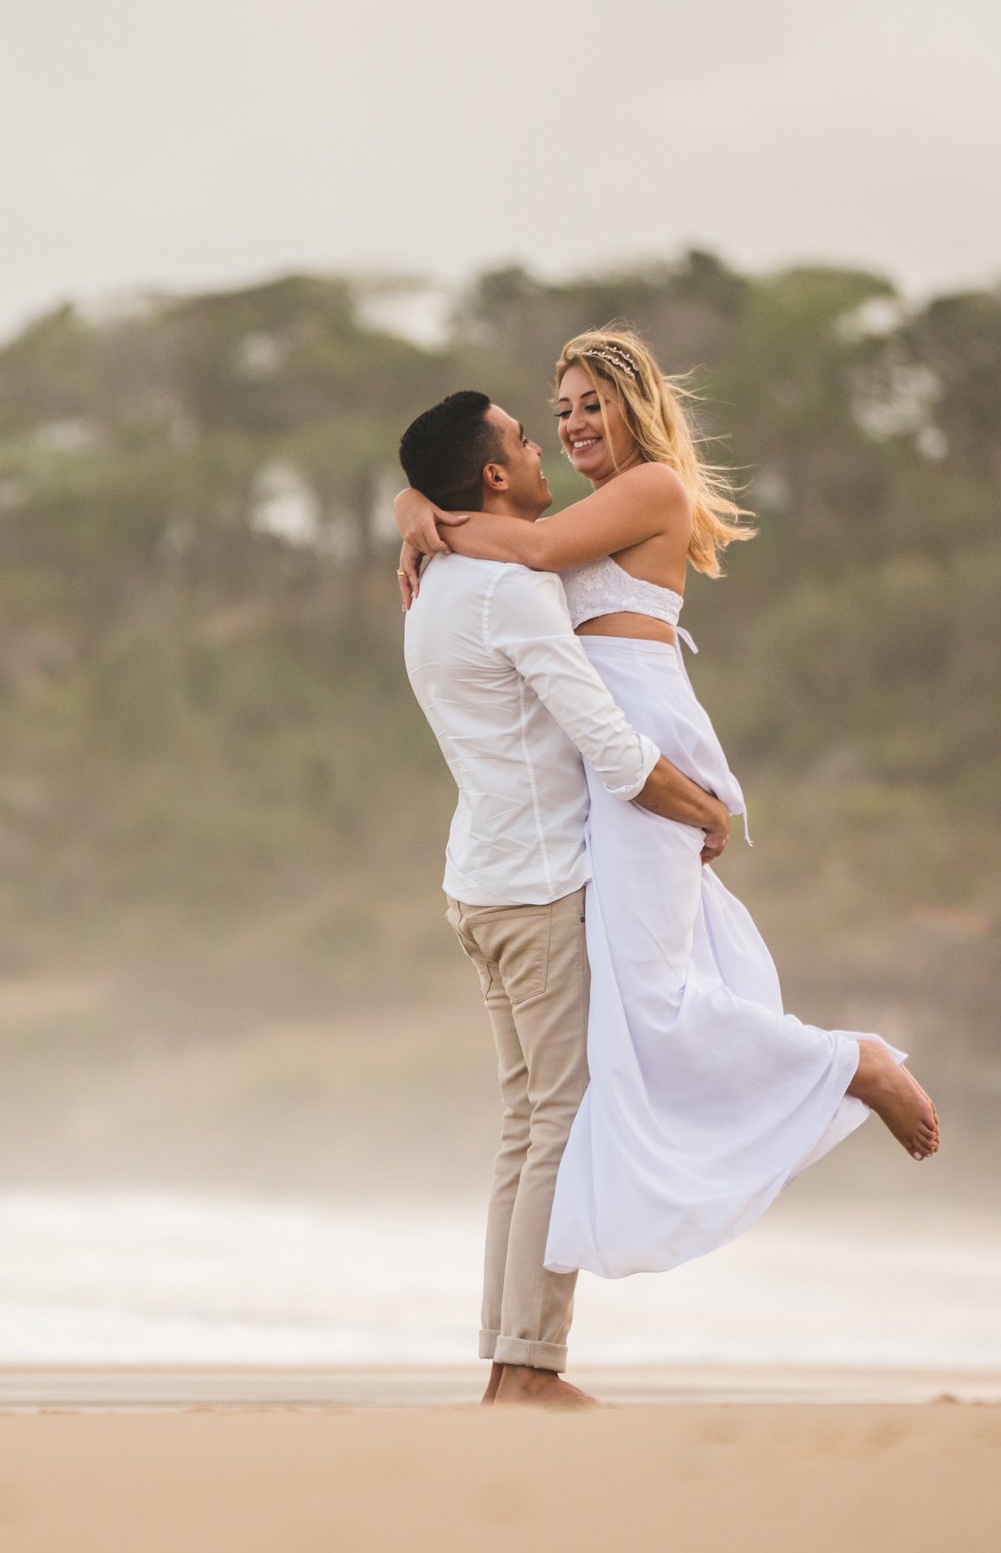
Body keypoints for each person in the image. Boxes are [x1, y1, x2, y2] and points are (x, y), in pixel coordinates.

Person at [396, 329, 939, 1296]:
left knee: (654, 1002)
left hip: (640, 743)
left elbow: (528, 544)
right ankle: (529, 1351)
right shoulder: (572, 511)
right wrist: (419, 506)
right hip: (607, 762)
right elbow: (519, 542)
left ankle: (851, 1063)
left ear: (633, 403)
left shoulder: (650, 492)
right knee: (641, 1008)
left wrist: (424, 514)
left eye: (587, 404)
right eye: (556, 412)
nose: (569, 426)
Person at [396, 390, 734, 1409]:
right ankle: (528, 1370)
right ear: (493, 475)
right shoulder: (511, 591)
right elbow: (606, 738)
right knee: (557, 1122)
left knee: (526, 1122)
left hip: (480, 881)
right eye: (527, 437)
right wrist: (698, 807)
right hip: (539, 887)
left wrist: (418, 505)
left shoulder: (439, 580)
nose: (544, 448)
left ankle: (511, 1364)